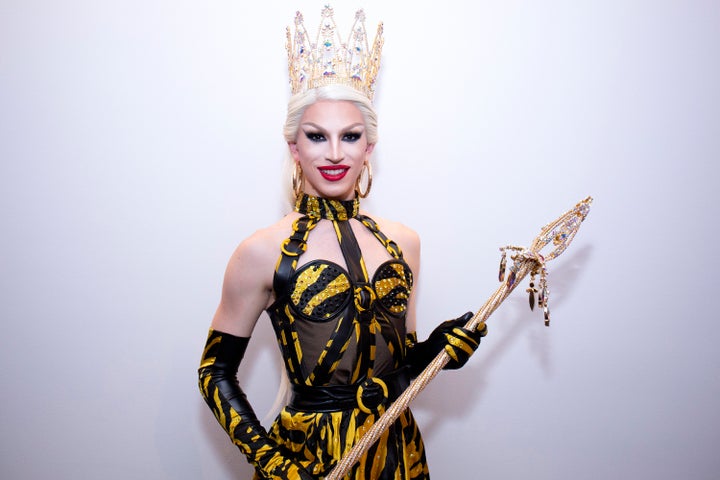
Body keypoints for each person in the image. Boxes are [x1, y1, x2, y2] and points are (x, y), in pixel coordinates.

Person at [198, 7, 487, 479]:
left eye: (350, 137)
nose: (334, 154)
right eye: (316, 137)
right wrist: (274, 464)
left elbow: (398, 371)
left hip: (398, 455)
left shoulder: (404, 243)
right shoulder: (261, 251)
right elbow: (214, 373)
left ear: (369, 147)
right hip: (306, 462)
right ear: (294, 147)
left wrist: (436, 354)